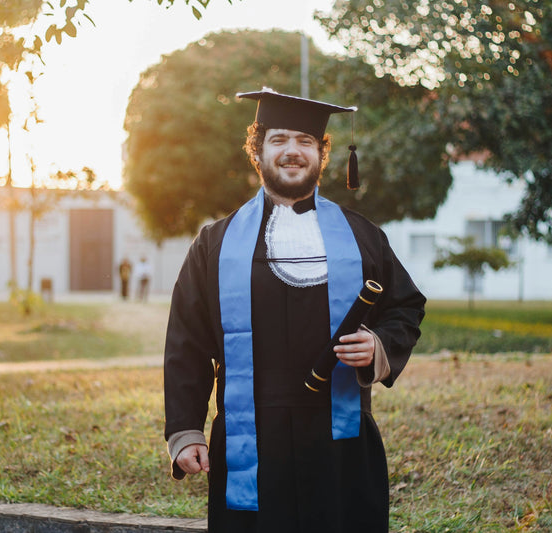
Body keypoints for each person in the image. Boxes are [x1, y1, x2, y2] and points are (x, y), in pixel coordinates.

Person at [164, 87, 426, 532]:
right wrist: (186, 430)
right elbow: (186, 342)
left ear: (322, 154)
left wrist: (379, 345)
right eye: (279, 139)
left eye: (305, 141)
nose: (292, 151)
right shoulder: (216, 244)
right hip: (251, 443)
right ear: (258, 150)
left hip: (341, 443)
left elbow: (405, 306)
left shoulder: (362, 237)